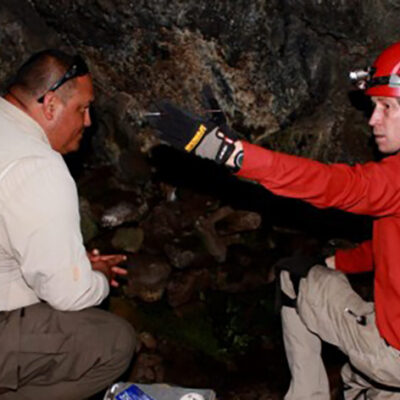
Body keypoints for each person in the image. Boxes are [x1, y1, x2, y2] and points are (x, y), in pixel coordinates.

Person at [148, 41, 400, 399]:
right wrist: (333, 262)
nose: (373, 119)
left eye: (386, 107)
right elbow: (387, 248)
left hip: (394, 354)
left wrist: (232, 154)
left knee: (293, 277)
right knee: (360, 381)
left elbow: (334, 185)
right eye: (374, 106)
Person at [0, 50, 136, 400]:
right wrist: (98, 279)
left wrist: (73, 265)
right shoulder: (39, 166)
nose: (88, 122)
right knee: (115, 341)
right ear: (50, 106)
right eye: (82, 108)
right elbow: (68, 294)